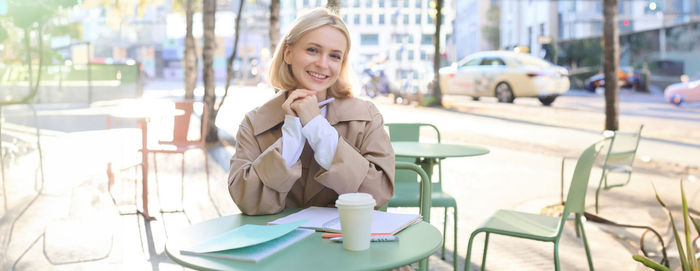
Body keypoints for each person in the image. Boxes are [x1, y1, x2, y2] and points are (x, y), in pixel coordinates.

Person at [228, 8, 395, 215]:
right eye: (312, 50)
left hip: (343, 242)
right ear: (288, 53)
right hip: (278, 244)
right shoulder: (254, 123)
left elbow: (378, 194)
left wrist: (317, 127)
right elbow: (247, 199)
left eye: (335, 56)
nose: (323, 64)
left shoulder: (367, 117)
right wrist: (292, 135)